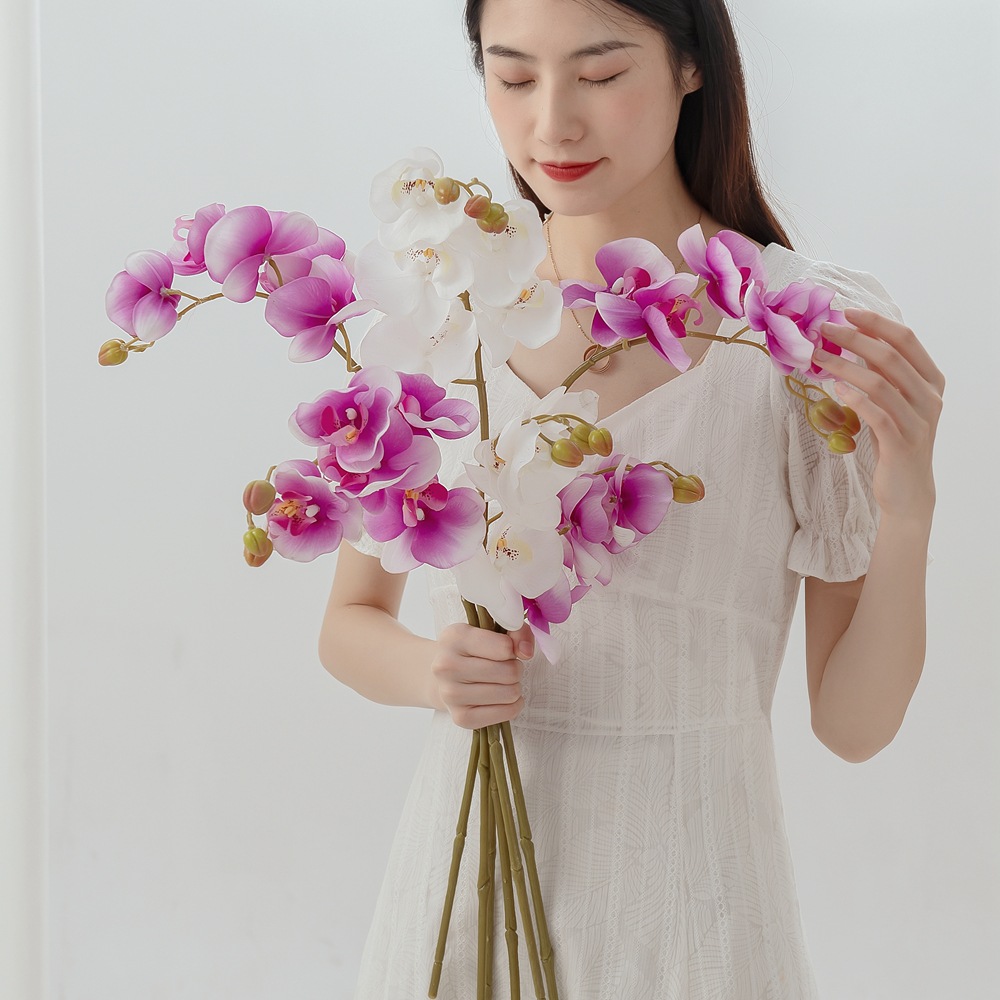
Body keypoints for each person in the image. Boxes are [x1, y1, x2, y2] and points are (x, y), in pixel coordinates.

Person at [320, 0, 944, 996]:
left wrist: (907, 510)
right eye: (512, 76)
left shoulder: (797, 331)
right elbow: (348, 624)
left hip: (696, 913)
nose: (551, 124)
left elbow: (852, 724)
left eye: (600, 74)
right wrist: (434, 671)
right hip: (463, 894)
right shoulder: (443, 307)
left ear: (691, 65)